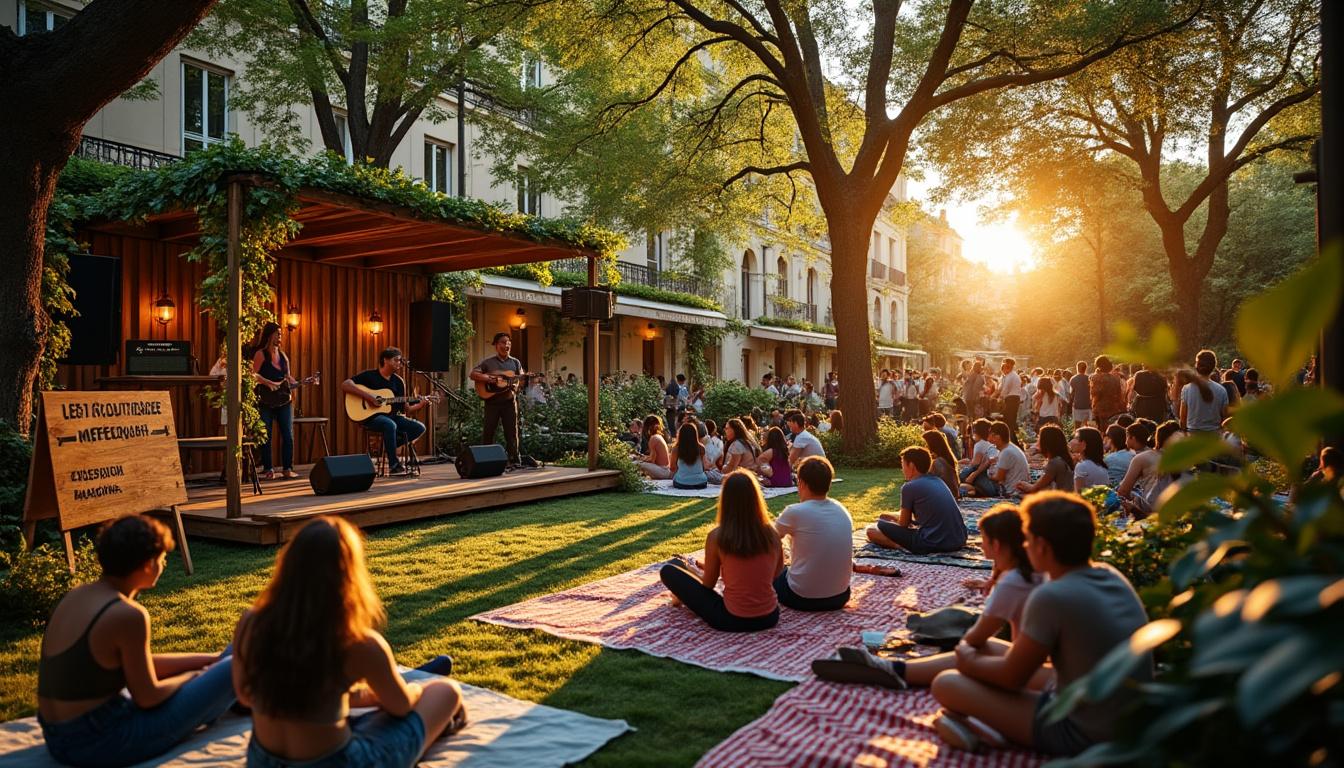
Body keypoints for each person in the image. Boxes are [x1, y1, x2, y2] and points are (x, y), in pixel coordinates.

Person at [929, 492, 1152, 756]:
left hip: (1085, 732)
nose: (1024, 546)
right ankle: (979, 723)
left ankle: (980, 726)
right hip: (1130, 722)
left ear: (1042, 546)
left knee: (947, 683)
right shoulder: (1109, 575)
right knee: (988, 649)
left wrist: (967, 661)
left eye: (1027, 539)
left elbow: (1012, 678)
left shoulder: (1051, 596)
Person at [234, 517, 466, 767]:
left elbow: (246, 697)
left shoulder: (251, 623)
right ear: (349, 576)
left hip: (262, 760)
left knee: (363, 717)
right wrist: (416, 690)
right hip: (336, 762)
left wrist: (366, 698)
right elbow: (400, 706)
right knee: (445, 691)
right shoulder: (358, 643)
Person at [37, 515, 236, 767]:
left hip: (59, 737)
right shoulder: (127, 614)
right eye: (163, 559)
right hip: (101, 741)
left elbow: (133, 665)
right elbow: (148, 696)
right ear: (147, 565)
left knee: (229, 657)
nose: (164, 565)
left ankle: (235, 693)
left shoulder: (77, 596)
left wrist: (211, 659)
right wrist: (193, 676)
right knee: (236, 665)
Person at [822, 505, 1039, 689]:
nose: (980, 544)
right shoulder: (1029, 571)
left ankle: (900, 665)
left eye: (983, 539)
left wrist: (958, 651)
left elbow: (976, 638)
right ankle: (898, 664)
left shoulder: (1014, 582)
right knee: (967, 641)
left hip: (1023, 669)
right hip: (1022, 657)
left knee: (949, 678)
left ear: (998, 545)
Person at [659, 471, 783, 631]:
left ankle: (678, 595)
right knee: (678, 566)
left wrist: (692, 575)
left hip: (731, 619)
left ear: (725, 500)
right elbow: (777, 573)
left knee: (670, 570)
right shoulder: (771, 533)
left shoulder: (718, 536)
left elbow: (709, 584)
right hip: (770, 616)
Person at [772, 457, 853, 611]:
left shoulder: (795, 512)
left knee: (773, 567)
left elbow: (768, 541)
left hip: (802, 597)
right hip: (840, 595)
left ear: (801, 483)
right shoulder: (841, 509)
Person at [343, 347, 431, 476]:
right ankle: (394, 465)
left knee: (419, 427)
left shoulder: (399, 382)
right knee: (390, 425)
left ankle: (389, 445)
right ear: (385, 360)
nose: (400, 363)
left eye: (400, 361)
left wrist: (421, 404)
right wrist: (370, 397)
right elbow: (345, 384)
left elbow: (407, 409)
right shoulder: (369, 376)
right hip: (371, 417)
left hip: (393, 417)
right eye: (396, 360)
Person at [867, 446, 968, 554]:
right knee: (884, 516)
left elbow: (903, 524)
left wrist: (891, 520)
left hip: (932, 542)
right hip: (959, 539)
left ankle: (899, 546)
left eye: (903, 465)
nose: (902, 469)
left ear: (911, 466)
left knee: (872, 530)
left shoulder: (909, 487)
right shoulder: (938, 481)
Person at [251, 321, 300, 480]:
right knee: (267, 435)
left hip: (284, 400)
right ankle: (268, 469)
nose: (280, 336)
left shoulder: (283, 356)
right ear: (270, 334)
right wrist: (267, 382)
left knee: (288, 434)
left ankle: (287, 468)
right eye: (278, 333)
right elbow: (253, 375)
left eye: (281, 334)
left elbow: (287, 377)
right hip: (265, 400)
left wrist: (298, 382)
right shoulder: (261, 354)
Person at [469, 333, 525, 467]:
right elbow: (473, 374)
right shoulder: (488, 362)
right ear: (496, 345)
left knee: (512, 432)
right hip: (492, 402)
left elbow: (521, 379)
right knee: (489, 431)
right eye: (503, 342)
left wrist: (516, 384)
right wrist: (490, 379)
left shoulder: (515, 362)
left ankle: (514, 460)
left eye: (508, 343)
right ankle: (485, 461)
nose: (506, 345)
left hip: (509, 403)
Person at [1117, 420, 1181, 518]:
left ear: (1157, 438)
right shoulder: (1186, 460)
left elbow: (1123, 491)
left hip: (1147, 515)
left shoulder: (1143, 458)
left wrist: (1133, 500)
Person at [972, 421, 1029, 498]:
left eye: (991, 436)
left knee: (977, 477)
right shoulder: (1010, 447)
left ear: (998, 437)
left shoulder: (1006, 452)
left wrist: (989, 474)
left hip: (1010, 491)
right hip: (1015, 487)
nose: (989, 440)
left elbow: (999, 478)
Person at [1178, 350, 1229, 435]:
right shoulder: (1221, 390)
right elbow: (1225, 418)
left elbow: (1183, 419)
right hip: (1214, 437)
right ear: (1213, 367)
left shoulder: (1186, 389)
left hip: (1192, 436)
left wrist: (1184, 435)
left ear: (1197, 366)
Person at [1016, 424, 1074, 495]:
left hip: (1062, 502)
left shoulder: (1055, 462)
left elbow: (1034, 488)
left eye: (1039, 438)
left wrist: (1022, 484)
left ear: (1046, 442)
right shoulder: (1062, 458)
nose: (1037, 442)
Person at [959, 418, 999, 496]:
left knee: (962, 475)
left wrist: (963, 466)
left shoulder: (980, 444)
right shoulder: (988, 443)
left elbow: (975, 464)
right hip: (992, 474)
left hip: (985, 475)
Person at [669, 422, 711, 489]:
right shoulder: (701, 448)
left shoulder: (676, 449)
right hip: (701, 483)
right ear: (695, 434)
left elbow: (672, 467)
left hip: (682, 482)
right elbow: (706, 466)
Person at [922, 428, 961, 500]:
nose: (923, 446)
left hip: (945, 497)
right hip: (953, 494)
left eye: (924, 444)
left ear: (931, 444)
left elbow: (926, 483)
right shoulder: (946, 458)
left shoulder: (937, 462)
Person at [1089, 356, 1126, 426]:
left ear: (1098, 366)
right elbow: (1119, 396)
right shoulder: (1116, 378)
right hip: (1113, 408)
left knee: (1102, 430)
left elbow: (1095, 394)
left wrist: (1093, 406)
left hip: (1101, 408)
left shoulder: (1095, 378)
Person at [1071, 427, 1110, 491]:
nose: (1072, 441)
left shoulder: (1082, 466)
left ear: (1084, 444)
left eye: (1076, 438)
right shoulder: (1101, 466)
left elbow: (1078, 495)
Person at [635, 415, 672, 480]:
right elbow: (654, 457)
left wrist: (640, 459)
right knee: (639, 462)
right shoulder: (658, 436)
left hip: (663, 471)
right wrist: (643, 457)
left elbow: (652, 460)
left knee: (636, 464)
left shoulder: (653, 438)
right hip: (665, 469)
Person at [998, 359, 1023, 442]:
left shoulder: (1011, 376)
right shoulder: (1012, 375)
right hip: (1014, 399)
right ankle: (1013, 439)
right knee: (1011, 421)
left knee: (1009, 421)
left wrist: (1000, 398)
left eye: (1006, 364)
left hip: (1011, 399)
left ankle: (1011, 440)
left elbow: (1005, 389)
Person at [1068, 361, 1092, 426]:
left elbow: (1071, 393)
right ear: (1086, 368)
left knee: (1077, 425)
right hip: (1088, 405)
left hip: (1077, 405)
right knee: (1087, 425)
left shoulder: (1073, 379)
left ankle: (1077, 435)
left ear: (1077, 368)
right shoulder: (1090, 378)